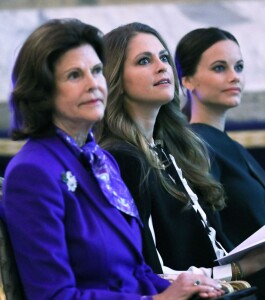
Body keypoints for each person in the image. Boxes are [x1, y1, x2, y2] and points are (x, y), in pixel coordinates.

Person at [1, 18, 224, 300]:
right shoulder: (32, 171)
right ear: (42, 91)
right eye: (74, 75)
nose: (94, 84)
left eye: (96, 71)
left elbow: (137, 272)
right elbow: (53, 296)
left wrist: (187, 288)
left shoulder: (103, 160)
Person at [98, 22, 265, 300]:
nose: (161, 67)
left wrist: (246, 264)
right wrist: (240, 269)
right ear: (115, 78)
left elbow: (210, 249)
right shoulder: (123, 156)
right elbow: (148, 272)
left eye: (164, 58)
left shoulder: (164, 148)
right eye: (144, 61)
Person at [174, 27, 265, 246]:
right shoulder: (195, 146)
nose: (234, 77)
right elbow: (208, 235)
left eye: (239, 67)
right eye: (219, 68)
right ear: (187, 80)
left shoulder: (228, 145)